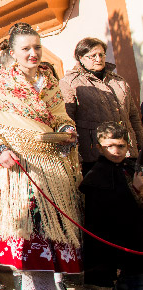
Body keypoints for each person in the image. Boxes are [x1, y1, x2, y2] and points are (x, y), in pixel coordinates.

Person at [0, 22, 82, 289]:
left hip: (52, 169)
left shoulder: (50, 82)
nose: (33, 53)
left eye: (37, 47)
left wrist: (66, 130)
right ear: (13, 53)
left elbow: (60, 116)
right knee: (31, 249)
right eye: (26, 49)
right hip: (20, 172)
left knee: (54, 244)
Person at [59, 36, 143, 175]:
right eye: (92, 56)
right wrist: (75, 156)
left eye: (101, 54)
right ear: (80, 58)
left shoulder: (118, 81)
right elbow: (67, 120)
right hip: (94, 154)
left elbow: (133, 116)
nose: (98, 59)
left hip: (127, 151)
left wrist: (141, 144)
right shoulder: (70, 83)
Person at [79, 121, 143, 290]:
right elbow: (114, 213)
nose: (116, 151)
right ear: (100, 148)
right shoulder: (96, 176)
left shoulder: (131, 169)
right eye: (109, 146)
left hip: (134, 250)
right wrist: (135, 190)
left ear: (127, 146)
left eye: (121, 146)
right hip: (107, 252)